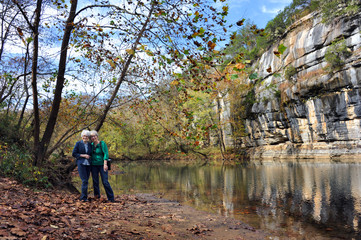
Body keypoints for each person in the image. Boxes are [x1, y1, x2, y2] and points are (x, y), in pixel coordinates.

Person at [89, 130, 115, 202]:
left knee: (105, 182)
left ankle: (111, 198)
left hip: (102, 165)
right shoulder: (90, 145)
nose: (93, 137)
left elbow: (106, 154)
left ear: (97, 136)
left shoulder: (102, 144)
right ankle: (97, 197)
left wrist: (105, 164)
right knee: (95, 181)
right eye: (91, 137)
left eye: (94, 136)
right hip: (93, 165)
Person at [72, 130, 92, 202]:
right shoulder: (78, 143)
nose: (85, 137)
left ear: (88, 137)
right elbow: (74, 154)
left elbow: (92, 153)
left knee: (86, 180)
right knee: (84, 180)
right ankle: (83, 197)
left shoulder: (90, 144)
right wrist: (83, 155)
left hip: (88, 164)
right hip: (81, 164)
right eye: (84, 136)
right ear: (82, 136)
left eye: (86, 136)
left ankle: (85, 196)